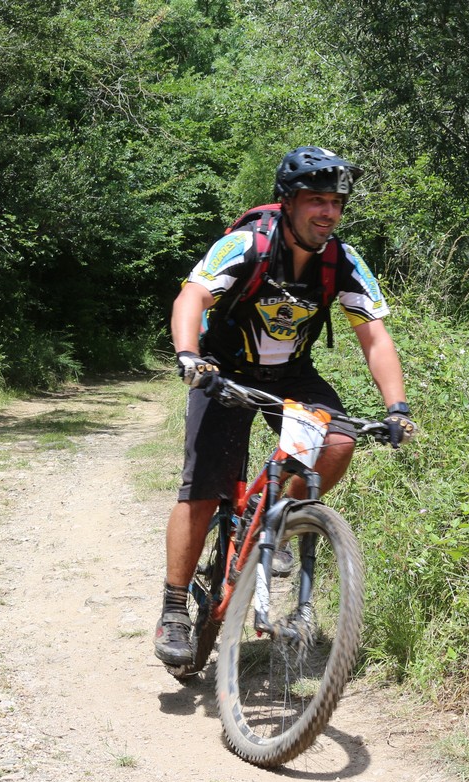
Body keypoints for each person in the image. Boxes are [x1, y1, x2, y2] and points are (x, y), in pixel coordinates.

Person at [154, 146, 416, 666]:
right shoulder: (246, 244)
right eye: (317, 200)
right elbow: (192, 296)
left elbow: (375, 336)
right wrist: (188, 356)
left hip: (292, 373)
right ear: (288, 201)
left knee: (337, 440)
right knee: (203, 488)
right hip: (222, 369)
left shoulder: (342, 259)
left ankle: (271, 522)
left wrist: (397, 408)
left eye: (336, 203)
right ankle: (174, 608)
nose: (329, 212)